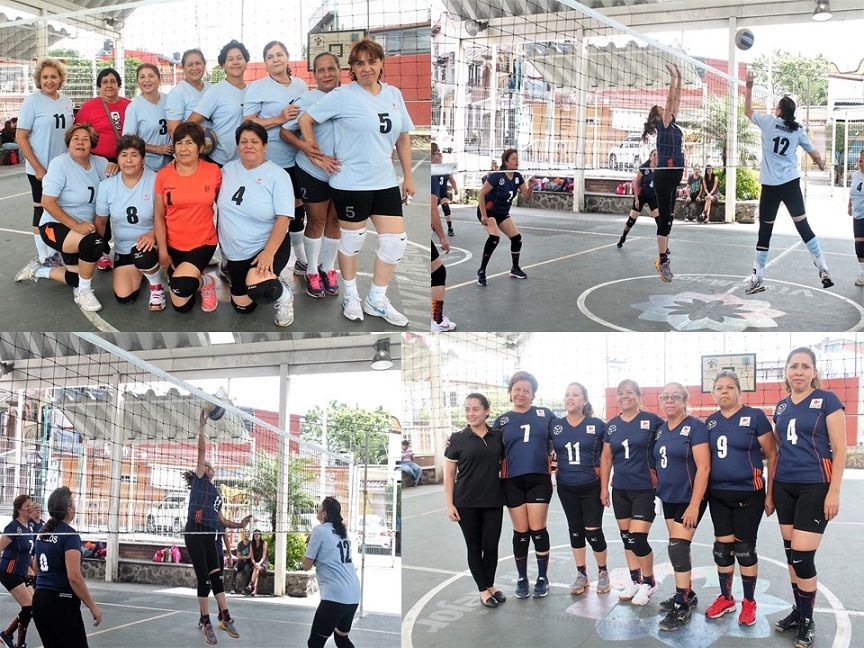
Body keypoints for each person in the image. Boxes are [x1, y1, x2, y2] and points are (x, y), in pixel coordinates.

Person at [299, 37, 416, 327]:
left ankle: (376, 299)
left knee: (395, 243)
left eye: (372, 61)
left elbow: (402, 135)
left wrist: (408, 176)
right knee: (352, 242)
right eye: (359, 63)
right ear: (352, 67)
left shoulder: (393, 94)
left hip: (385, 182)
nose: (366, 68)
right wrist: (315, 153)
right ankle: (351, 295)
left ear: (381, 64)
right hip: (351, 183)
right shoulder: (343, 95)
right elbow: (305, 120)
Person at [771, 347, 846, 648]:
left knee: (802, 557)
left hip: (815, 485)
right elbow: (778, 450)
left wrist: (835, 491)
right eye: (793, 366)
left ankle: (807, 620)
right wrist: (770, 490)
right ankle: (799, 611)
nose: (798, 371)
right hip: (784, 487)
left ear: (814, 371)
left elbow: (839, 450)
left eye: (804, 366)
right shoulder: (780, 406)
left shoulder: (828, 401)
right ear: (786, 372)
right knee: (791, 555)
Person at [744, 72, 832, 294]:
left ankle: (757, 278)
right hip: (791, 185)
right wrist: (822, 163)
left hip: (771, 188)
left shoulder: (768, 123)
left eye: (776, 106)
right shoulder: (797, 130)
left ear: (780, 111)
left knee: (765, 230)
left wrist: (749, 87)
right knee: (803, 226)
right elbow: (813, 154)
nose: (774, 109)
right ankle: (823, 268)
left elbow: (747, 111)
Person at [15, 123, 115, 312]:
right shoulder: (60, 163)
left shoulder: (101, 163)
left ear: (92, 144)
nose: (80, 142)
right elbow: (47, 202)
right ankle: (83, 292)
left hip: (81, 231)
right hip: (55, 225)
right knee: (93, 243)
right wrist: (76, 225)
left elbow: (115, 188)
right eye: (75, 138)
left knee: (76, 277)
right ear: (68, 143)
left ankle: (38, 271)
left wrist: (114, 166)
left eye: (85, 139)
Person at [704, 370, 777, 626]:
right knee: (722, 551)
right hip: (718, 496)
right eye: (719, 388)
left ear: (739, 392)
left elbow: (771, 455)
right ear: (713, 393)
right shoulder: (710, 422)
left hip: (749, 494)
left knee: (744, 550)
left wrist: (771, 494)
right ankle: (726, 598)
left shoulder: (754, 416)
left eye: (729, 387)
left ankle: (749, 602)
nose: (724, 391)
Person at [183, 408, 252, 645]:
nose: (211, 467)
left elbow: (221, 520)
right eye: (208, 466)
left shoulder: (215, 492)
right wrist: (202, 427)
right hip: (195, 531)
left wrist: (239, 523)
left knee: (217, 579)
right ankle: (204, 620)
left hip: (211, 535)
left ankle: (224, 616)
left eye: (210, 466)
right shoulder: (200, 481)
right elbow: (201, 451)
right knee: (203, 579)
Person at [216, 121, 295, 326]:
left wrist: (268, 252)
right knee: (244, 307)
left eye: (254, 141)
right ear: (237, 145)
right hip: (235, 252)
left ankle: (284, 293)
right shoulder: (227, 170)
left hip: (264, 247)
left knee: (260, 290)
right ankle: (240, 274)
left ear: (265, 146)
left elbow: (283, 218)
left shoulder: (278, 176)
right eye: (243, 141)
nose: (248, 146)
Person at [244, 40, 310, 277]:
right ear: (265, 62)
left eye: (279, 54)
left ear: (287, 56)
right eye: (270, 56)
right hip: (271, 161)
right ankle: (255, 258)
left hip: (298, 158)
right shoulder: (257, 87)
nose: (276, 59)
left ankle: (302, 260)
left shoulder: (301, 85)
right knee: (268, 213)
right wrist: (279, 119)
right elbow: (248, 122)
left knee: (296, 210)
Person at [281, 52, 342, 298]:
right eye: (321, 70)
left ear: (340, 70)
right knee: (316, 221)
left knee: (335, 221)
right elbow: (286, 132)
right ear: (314, 74)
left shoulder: (348, 96)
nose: (327, 74)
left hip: (341, 172)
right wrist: (311, 152)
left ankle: (328, 268)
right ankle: (312, 271)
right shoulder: (305, 99)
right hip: (312, 171)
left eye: (331, 69)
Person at [599, 379, 664, 606]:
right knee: (627, 539)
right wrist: (604, 488)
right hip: (620, 489)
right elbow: (606, 458)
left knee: (638, 538)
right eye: (620, 393)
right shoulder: (612, 425)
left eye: (628, 392)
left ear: (638, 396)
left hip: (645, 488)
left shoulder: (652, 421)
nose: (624, 396)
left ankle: (649, 582)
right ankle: (635, 580)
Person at [653, 382, 710, 631]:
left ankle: (681, 605)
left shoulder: (695, 427)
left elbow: (704, 467)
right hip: (669, 497)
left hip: (689, 498)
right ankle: (688, 593)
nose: (670, 401)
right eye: (665, 397)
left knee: (676, 548)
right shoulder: (660, 429)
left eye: (675, 397)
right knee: (680, 547)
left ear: (685, 400)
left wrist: (695, 504)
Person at [493, 371, 555, 599]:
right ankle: (522, 577)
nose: (521, 393)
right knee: (521, 531)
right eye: (517, 389)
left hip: (539, 478)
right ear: (510, 392)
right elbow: (488, 447)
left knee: (537, 529)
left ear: (533, 395)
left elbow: (566, 431)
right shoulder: (502, 421)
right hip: (511, 481)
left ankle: (542, 577)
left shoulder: (545, 415)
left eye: (526, 390)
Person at [444, 393, 506, 608]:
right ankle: (483, 590)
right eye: (467, 409)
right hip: (466, 502)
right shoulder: (457, 439)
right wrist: (449, 504)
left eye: (476, 409)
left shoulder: (498, 436)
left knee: (491, 547)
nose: (471, 413)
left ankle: (490, 585)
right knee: (474, 547)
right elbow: (449, 474)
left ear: (486, 411)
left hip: (493, 500)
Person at [153, 122, 221, 313]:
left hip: (203, 242)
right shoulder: (163, 175)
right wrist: (163, 252)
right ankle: (199, 279)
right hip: (174, 244)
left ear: (200, 147)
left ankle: (206, 281)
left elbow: (224, 208)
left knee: (181, 286)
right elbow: (158, 214)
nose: (183, 148)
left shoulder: (213, 171)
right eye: (179, 143)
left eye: (189, 143)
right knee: (183, 307)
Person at [95, 134, 166, 311]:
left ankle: (156, 286)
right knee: (124, 297)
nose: (128, 160)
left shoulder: (156, 180)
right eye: (123, 155)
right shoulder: (107, 186)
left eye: (134, 155)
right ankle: (145, 270)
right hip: (124, 248)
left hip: (154, 243)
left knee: (143, 255)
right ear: (117, 159)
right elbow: (101, 222)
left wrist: (153, 235)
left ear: (143, 159)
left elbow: (168, 217)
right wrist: (98, 250)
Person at [550, 384, 609, 597]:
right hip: (566, 487)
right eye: (567, 394)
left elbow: (607, 456)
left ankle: (603, 572)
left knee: (593, 532)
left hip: (591, 486)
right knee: (575, 530)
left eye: (575, 394)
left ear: (584, 400)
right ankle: (582, 574)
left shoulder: (597, 425)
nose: (570, 398)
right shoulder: (555, 425)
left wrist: (605, 487)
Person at [15, 57, 75, 269]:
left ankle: (57, 250)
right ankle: (44, 256)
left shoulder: (67, 101)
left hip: (62, 168)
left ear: (61, 79)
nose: (50, 81)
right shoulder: (32, 101)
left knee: (60, 208)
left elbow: (69, 135)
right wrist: (39, 168)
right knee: (41, 209)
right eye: (45, 77)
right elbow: (20, 137)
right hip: (40, 169)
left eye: (54, 77)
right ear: (39, 80)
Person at [74, 67, 132, 271]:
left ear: (119, 84)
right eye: (105, 81)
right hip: (100, 163)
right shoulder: (90, 107)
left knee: (125, 204)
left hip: (126, 161)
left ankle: (131, 247)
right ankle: (103, 250)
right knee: (102, 206)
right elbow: (78, 133)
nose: (109, 85)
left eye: (113, 81)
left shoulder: (129, 105)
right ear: (99, 86)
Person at [32, 487, 102, 648]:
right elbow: (74, 576)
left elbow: (36, 566)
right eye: (74, 503)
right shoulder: (69, 535)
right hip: (61, 603)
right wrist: (93, 606)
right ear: (69, 509)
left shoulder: (43, 532)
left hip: (40, 601)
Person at [641, 63, 683, 282]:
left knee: (670, 220)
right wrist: (672, 80)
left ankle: (664, 254)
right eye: (662, 110)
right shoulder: (664, 124)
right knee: (665, 221)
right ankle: (662, 261)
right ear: (659, 116)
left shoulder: (673, 125)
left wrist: (679, 78)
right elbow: (669, 101)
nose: (666, 110)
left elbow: (675, 100)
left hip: (673, 176)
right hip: (664, 177)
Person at [302, 497, 361, 648]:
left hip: (335, 597)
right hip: (353, 594)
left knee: (315, 643)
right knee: (342, 639)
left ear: (325, 513)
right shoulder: (343, 531)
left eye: (319, 507)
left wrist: (311, 548)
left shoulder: (319, 531)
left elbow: (306, 565)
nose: (317, 509)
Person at [475, 148, 533, 286]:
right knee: (494, 237)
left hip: (501, 213)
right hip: (488, 211)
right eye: (513, 158)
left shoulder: (518, 176)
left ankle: (515, 268)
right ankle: (481, 271)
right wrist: (483, 215)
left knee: (516, 238)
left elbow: (526, 198)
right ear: (506, 162)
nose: (517, 161)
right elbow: (481, 194)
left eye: (517, 158)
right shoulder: (497, 176)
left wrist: (530, 187)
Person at [188, 40, 249, 167]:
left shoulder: (252, 91)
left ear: (246, 62)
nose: (236, 62)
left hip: (247, 160)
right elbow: (190, 123)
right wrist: (204, 138)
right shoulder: (215, 91)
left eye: (239, 58)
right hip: (221, 161)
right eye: (230, 59)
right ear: (223, 65)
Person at [122, 63, 173, 171]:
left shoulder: (170, 100)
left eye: (151, 76)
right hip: (147, 166)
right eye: (142, 77)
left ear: (159, 79)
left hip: (172, 164)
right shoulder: (134, 107)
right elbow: (128, 141)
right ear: (137, 82)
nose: (147, 80)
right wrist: (157, 149)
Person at [0, 495, 35, 648]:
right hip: (8, 572)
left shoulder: (30, 527)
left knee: (34, 606)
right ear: (20, 509)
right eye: (27, 505)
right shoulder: (13, 527)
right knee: (28, 606)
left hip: (22, 573)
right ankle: (19, 643)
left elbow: (27, 554)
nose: (31, 507)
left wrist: (33, 572)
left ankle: (6, 634)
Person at [617, 149, 659, 248]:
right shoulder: (644, 167)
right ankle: (623, 237)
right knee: (631, 220)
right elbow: (636, 184)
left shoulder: (660, 168)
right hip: (641, 195)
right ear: (650, 157)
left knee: (659, 221)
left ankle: (664, 245)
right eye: (654, 155)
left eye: (657, 155)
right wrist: (636, 198)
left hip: (652, 196)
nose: (656, 157)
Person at [166, 49, 209, 137]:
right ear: (183, 68)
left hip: (216, 148)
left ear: (205, 65)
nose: (194, 68)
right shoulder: (177, 93)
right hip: (191, 148)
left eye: (198, 63)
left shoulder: (211, 89)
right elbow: (173, 131)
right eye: (190, 64)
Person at [431, 181, 456, 332]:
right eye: (438, 154)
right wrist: (442, 237)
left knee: (436, 272)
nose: (440, 156)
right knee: (438, 272)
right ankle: (437, 320)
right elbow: (432, 209)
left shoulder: (439, 175)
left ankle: (435, 318)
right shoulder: (433, 176)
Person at [431, 142, 457, 237]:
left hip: (442, 193)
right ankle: (433, 224)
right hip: (434, 193)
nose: (439, 155)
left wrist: (455, 189)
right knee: (432, 210)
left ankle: (450, 228)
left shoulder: (446, 168)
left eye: (440, 153)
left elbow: (452, 180)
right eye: (437, 152)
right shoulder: (431, 169)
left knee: (445, 206)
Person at [847, 149, 864, 286]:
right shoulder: (855, 175)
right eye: (860, 157)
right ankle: (863, 273)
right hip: (857, 214)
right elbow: (852, 191)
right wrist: (849, 206)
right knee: (859, 246)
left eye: (863, 158)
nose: (860, 159)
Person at [246, 530, 268, 596]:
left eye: (258, 534)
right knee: (256, 569)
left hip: (263, 562)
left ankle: (250, 585)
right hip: (255, 562)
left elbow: (264, 556)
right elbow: (252, 557)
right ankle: (254, 591)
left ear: (260, 535)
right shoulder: (251, 544)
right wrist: (255, 563)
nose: (256, 536)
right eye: (255, 534)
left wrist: (259, 563)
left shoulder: (264, 543)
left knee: (256, 569)